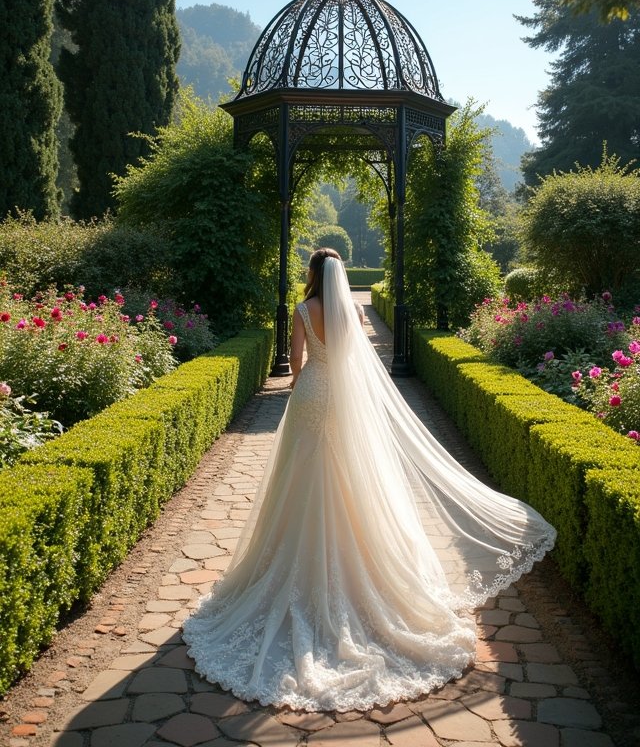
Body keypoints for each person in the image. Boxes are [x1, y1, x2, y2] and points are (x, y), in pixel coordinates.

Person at [182, 248, 556, 712]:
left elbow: (296, 362)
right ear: (340, 275)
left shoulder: (303, 309)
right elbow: (358, 363)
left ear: (315, 275)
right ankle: (358, 558)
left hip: (313, 394)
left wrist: (302, 380)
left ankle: (294, 558)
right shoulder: (354, 310)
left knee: (302, 475)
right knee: (351, 475)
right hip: (344, 398)